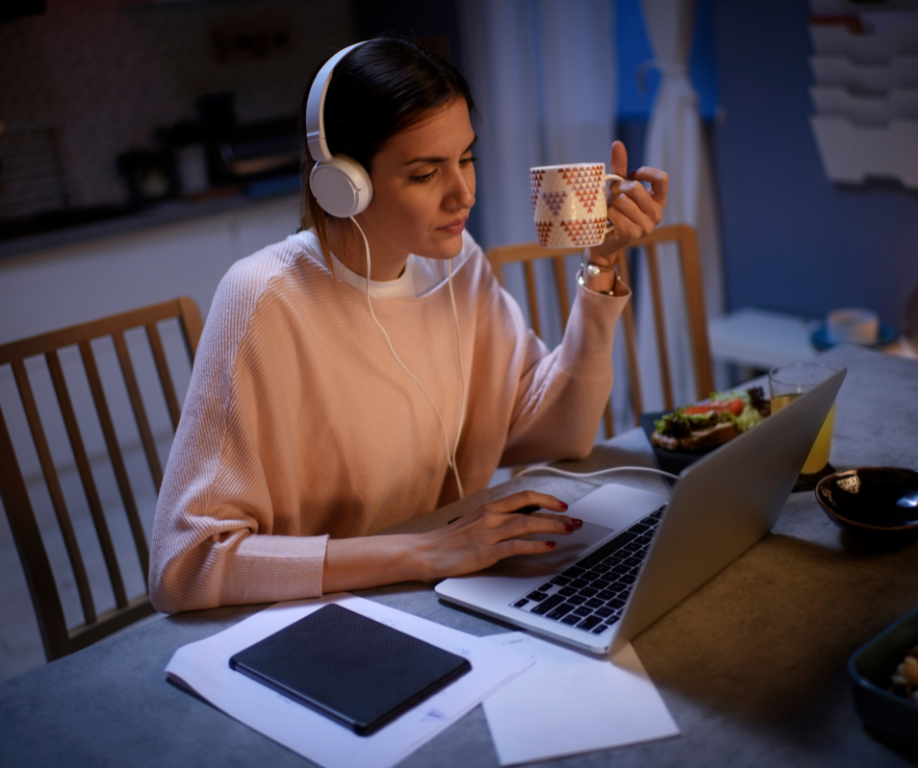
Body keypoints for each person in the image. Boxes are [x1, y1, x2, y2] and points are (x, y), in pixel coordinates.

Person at [149, 38, 668, 613]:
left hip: (446, 592)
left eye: (466, 158)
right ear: (345, 182)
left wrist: (601, 268)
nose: (464, 193)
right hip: (326, 617)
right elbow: (185, 564)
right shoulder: (264, 300)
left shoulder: (459, 264)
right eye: (426, 173)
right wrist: (423, 553)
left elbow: (558, 432)